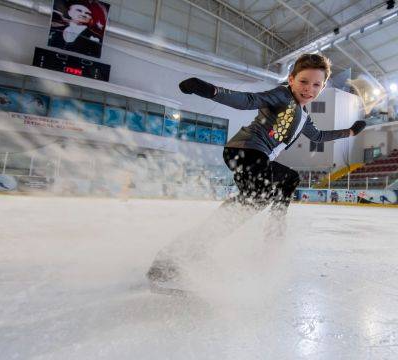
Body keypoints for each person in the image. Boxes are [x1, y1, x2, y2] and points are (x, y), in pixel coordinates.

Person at [146, 53, 366, 291]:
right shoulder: (282, 95)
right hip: (245, 150)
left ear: (322, 87)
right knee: (268, 190)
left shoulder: (304, 117)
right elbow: (248, 100)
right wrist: (208, 90)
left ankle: (192, 249)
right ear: (291, 79)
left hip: (257, 157)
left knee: (263, 195)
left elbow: (320, 137)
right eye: (303, 81)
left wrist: (351, 132)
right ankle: (174, 260)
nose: (308, 89)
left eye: (316, 85)